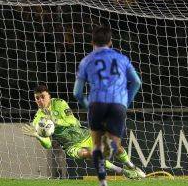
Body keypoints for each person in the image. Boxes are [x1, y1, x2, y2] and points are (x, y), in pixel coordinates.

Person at [22, 85, 143, 179]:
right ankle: (123, 172)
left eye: (42, 96)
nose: (40, 100)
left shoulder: (58, 103)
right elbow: (48, 145)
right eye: (37, 98)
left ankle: (131, 166)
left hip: (84, 134)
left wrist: (54, 120)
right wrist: (38, 135)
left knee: (116, 146)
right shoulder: (38, 119)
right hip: (71, 146)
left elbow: (71, 121)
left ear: (49, 96)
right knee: (91, 154)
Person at [73, 26, 142, 186]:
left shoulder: (86, 60)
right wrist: (126, 103)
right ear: (110, 42)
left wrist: (87, 106)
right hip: (118, 104)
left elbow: (77, 92)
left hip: (97, 104)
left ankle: (103, 182)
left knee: (96, 145)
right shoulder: (122, 59)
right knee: (115, 144)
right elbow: (137, 82)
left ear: (92, 42)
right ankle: (112, 147)